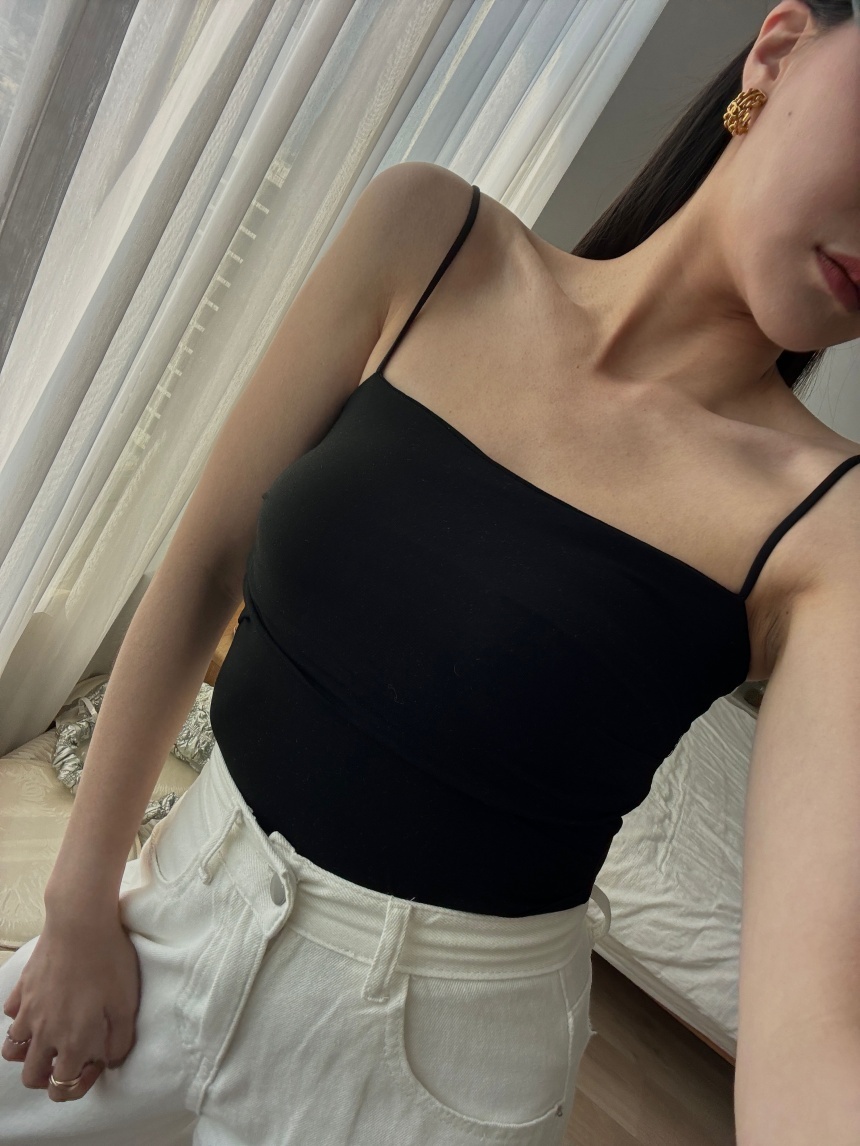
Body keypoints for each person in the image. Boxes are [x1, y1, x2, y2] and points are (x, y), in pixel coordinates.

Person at [3, 1, 860, 1142]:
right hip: (178, 900)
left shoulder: (830, 532)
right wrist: (78, 902)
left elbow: (811, 1031)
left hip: (436, 1082)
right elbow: (205, 561)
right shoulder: (429, 237)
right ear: (781, 48)